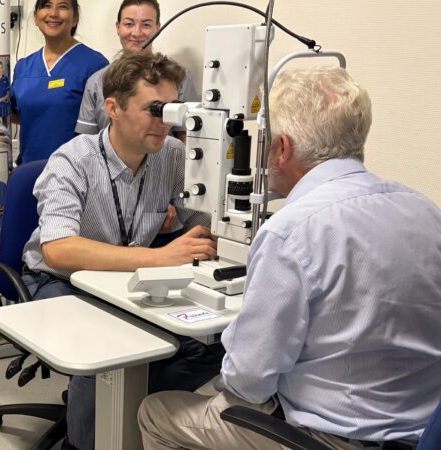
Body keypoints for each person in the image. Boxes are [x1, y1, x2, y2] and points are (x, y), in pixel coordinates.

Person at [137, 67, 441, 450]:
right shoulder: (424, 209)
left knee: (157, 412)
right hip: (420, 433)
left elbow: (249, 380)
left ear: (282, 148)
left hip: (327, 439)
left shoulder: (291, 231)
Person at [21, 51, 219, 450]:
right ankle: (83, 441)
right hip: (60, 279)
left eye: (171, 109)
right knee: (104, 349)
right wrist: (160, 257)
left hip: (127, 276)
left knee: (211, 345)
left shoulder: (172, 156)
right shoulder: (72, 161)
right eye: (153, 109)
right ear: (112, 108)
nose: (165, 121)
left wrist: (204, 235)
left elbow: (203, 221)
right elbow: (58, 249)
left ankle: (127, 410)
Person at [75, 0, 198, 139]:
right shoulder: (96, 82)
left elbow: (188, 140)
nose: (137, 33)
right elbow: (86, 142)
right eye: (129, 24)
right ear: (118, 27)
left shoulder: (178, 77)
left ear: (157, 28)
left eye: (146, 25)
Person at [11, 0, 108, 164]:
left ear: (75, 18)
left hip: (75, 172)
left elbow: (106, 128)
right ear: (35, 17)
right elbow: (16, 114)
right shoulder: (23, 67)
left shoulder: (95, 65)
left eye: (62, 6)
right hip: (30, 170)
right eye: (46, 5)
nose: (53, 13)